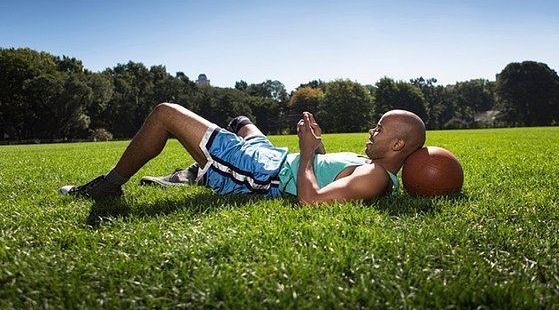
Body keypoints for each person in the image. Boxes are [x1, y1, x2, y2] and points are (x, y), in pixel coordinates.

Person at [59, 103, 426, 205]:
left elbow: (311, 200)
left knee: (165, 114)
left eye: (379, 128)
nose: (371, 131)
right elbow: (323, 169)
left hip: (260, 172)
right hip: (274, 157)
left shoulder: (376, 178)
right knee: (241, 120)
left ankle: (109, 185)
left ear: (397, 145)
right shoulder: (372, 165)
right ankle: (195, 171)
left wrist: (306, 149)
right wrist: (316, 145)